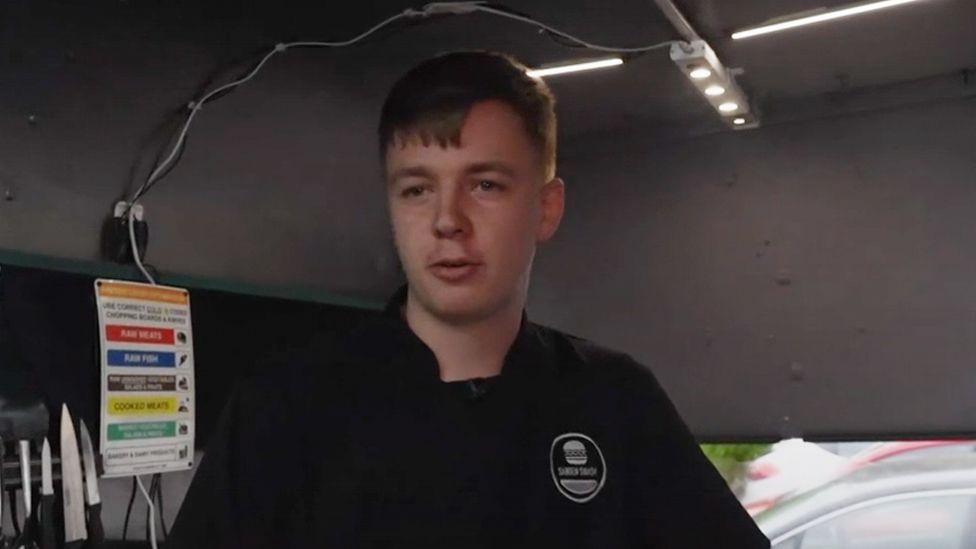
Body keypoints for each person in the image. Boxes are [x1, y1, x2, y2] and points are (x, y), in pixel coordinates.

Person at [168, 51, 770, 548]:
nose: (447, 221)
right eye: (417, 189)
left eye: (485, 185)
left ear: (546, 207)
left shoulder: (614, 401)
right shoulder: (283, 410)